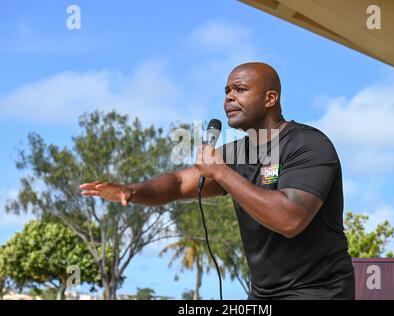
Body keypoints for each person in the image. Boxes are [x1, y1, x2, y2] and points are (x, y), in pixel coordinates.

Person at [80, 62, 355, 300]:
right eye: (227, 91)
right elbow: (177, 183)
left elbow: (290, 220)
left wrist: (222, 173)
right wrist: (132, 191)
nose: (229, 98)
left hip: (318, 290)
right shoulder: (235, 153)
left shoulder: (308, 144)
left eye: (240, 89)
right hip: (263, 293)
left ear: (271, 98)